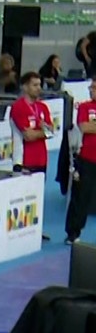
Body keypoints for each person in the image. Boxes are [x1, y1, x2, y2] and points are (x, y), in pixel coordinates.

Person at [66, 80, 96, 243]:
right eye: (91, 87)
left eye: (95, 88)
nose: (91, 90)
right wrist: (90, 126)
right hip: (87, 159)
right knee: (80, 197)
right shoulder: (85, 107)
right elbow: (84, 127)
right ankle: (73, 232)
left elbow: (91, 126)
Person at [10, 71, 52, 175]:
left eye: (39, 85)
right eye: (35, 85)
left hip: (42, 160)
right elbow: (28, 136)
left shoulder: (43, 107)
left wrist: (39, 132)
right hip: (25, 161)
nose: (39, 88)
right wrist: (43, 131)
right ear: (24, 87)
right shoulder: (18, 107)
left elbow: (51, 132)